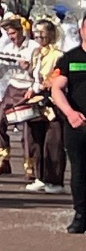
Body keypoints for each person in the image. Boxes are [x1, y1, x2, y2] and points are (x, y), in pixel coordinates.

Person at [0, 13, 36, 179]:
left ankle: (30, 165)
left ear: (21, 31)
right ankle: (3, 159)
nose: (11, 37)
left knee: (28, 130)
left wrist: (28, 67)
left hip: (29, 88)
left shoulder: (33, 47)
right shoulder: (7, 49)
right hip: (13, 88)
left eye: (13, 33)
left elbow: (41, 73)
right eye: (8, 34)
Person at [43, 39, 86, 232]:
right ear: (82, 30)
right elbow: (56, 88)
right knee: (79, 171)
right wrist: (70, 113)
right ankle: (81, 215)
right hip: (78, 123)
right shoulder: (69, 59)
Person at [24, 18, 67, 193]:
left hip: (52, 99)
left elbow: (55, 77)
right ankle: (40, 176)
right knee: (35, 139)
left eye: (43, 32)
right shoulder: (36, 52)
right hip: (35, 99)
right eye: (37, 32)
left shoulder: (58, 55)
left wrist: (41, 86)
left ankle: (55, 180)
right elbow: (34, 76)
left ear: (51, 34)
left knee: (53, 140)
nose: (39, 36)